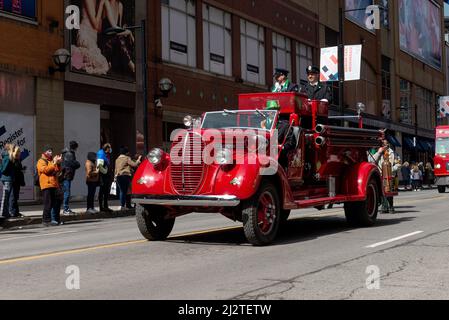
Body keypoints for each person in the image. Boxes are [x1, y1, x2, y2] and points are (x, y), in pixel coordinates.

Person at [37, 145, 63, 226]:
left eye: (51, 151)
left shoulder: (51, 161)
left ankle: (55, 219)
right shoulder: (41, 161)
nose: (51, 152)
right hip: (46, 185)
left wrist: (58, 164)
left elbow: (57, 171)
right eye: (49, 151)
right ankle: (46, 220)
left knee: (56, 202)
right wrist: (54, 163)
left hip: (54, 184)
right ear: (45, 152)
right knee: (48, 203)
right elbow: (46, 170)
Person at [373, 139, 396, 214]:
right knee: (383, 191)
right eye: (383, 144)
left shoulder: (392, 153)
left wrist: (390, 169)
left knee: (389, 190)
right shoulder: (379, 152)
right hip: (381, 175)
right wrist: (379, 152)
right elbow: (373, 160)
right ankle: (384, 207)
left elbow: (398, 163)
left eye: (385, 144)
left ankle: (391, 207)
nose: (384, 146)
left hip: (390, 174)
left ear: (388, 144)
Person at [61, 141, 81, 215]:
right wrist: (77, 163)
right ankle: (65, 209)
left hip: (67, 175)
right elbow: (71, 164)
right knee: (67, 192)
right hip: (67, 175)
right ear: (75, 147)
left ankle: (66, 208)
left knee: (66, 192)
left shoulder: (67, 153)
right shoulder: (69, 154)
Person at [97, 143, 113, 212]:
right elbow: (99, 166)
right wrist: (105, 171)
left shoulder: (106, 155)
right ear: (107, 148)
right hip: (103, 177)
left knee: (106, 192)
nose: (110, 149)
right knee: (102, 192)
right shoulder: (101, 154)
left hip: (107, 177)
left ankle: (106, 206)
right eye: (110, 148)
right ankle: (102, 207)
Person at [10, 146, 25, 218]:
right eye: (18, 151)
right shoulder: (12, 160)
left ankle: (16, 212)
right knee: (13, 197)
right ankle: (12, 211)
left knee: (16, 197)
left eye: (19, 151)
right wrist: (20, 171)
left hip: (18, 181)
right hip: (14, 180)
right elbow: (13, 170)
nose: (19, 153)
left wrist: (22, 170)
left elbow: (18, 169)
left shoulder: (18, 160)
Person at [1, 144, 15, 219]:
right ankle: (2, 213)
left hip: (8, 178)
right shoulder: (7, 157)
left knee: (7, 196)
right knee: (5, 197)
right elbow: (4, 169)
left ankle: (5, 213)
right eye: (13, 149)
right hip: (7, 179)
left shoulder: (9, 157)